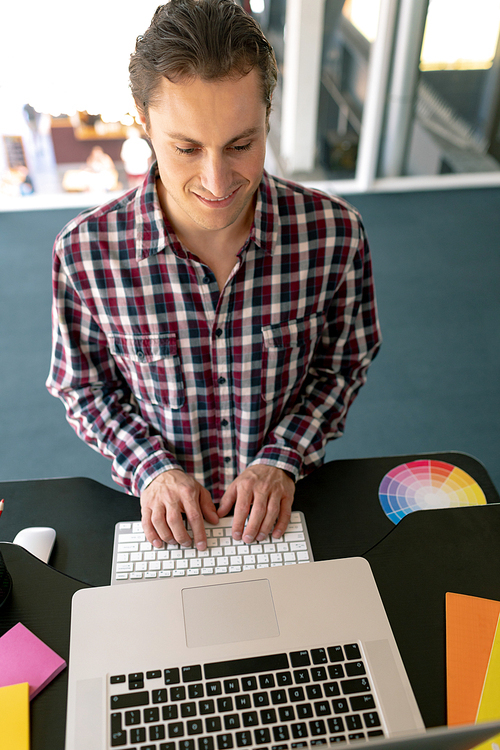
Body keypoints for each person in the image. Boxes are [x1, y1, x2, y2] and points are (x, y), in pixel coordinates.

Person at [46, 0, 381, 553]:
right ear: (144, 119)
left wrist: (283, 457)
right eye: (186, 148)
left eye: (242, 145)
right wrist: (149, 468)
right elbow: (83, 386)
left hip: (288, 511)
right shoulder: (84, 254)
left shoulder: (336, 235)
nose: (217, 180)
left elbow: (341, 367)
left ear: (268, 117)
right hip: (161, 527)